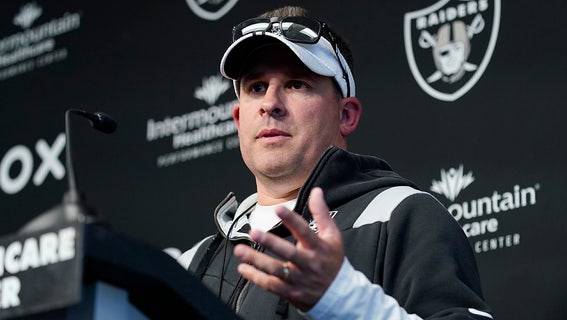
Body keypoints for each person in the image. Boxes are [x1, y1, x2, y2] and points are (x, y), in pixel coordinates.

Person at [178, 6, 493, 319]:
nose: (270, 104)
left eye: (296, 84)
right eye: (256, 88)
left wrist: (345, 302)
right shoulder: (194, 263)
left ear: (346, 115)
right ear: (237, 119)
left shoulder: (400, 214)